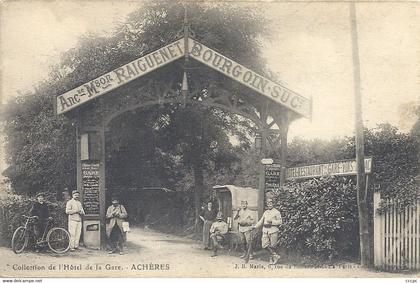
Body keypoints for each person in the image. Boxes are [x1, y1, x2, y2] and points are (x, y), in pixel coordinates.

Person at [253, 198, 283, 264]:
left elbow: (280, 222)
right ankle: (275, 256)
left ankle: (272, 259)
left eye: (270, 203)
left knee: (273, 246)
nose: (269, 205)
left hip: (273, 230)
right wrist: (255, 227)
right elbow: (261, 221)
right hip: (265, 230)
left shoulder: (277, 212)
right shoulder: (265, 212)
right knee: (264, 245)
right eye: (268, 203)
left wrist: (272, 221)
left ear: (273, 204)